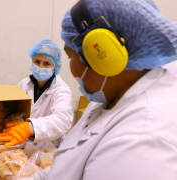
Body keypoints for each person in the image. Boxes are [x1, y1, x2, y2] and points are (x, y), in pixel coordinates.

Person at [35, 0, 177, 179]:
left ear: (103, 56)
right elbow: (67, 165)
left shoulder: (139, 144)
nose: (71, 69)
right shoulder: (110, 93)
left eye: (70, 56)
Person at [0, 40, 73, 146]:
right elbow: (15, 111)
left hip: (48, 148)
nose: (40, 67)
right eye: (37, 62)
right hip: (22, 142)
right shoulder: (23, 84)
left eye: (46, 64)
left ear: (55, 67)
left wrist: (31, 127)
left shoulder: (61, 90)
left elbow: (62, 120)